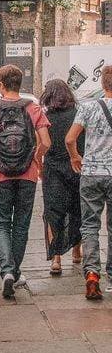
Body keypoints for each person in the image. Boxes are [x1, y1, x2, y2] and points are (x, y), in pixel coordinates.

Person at [0, 64, 50, 300]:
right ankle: (15, 271)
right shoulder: (33, 108)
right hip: (27, 174)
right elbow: (46, 143)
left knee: (1, 225)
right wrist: (35, 157)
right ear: (19, 83)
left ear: (0, 84)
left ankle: (6, 270)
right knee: (21, 225)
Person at [65, 64, 112, 300]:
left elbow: (70, 138)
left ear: (103, 84)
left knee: (90, 225)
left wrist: (76, 157)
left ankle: (92, 275)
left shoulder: (89, 107)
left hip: (92, 172)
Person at [39, 78, 83, 275]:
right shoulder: (78, 114)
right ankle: (76, 251)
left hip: (53, 169)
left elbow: (41, 145)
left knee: (53, 212)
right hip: (76, 167)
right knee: (77, 209)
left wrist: (38, 164)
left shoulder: (45, 118)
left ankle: (56, 259)